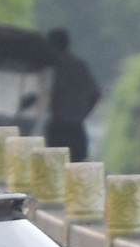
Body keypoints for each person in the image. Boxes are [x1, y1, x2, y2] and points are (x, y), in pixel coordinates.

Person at [41, 27, 101, 162]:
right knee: (77, 168)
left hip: (59, 126)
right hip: (76, 127)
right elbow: (96, 93)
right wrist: (83, 115)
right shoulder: (80, 66)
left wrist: (55, 117)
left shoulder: (56, 67)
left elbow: (56, 94)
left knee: (56, 165)